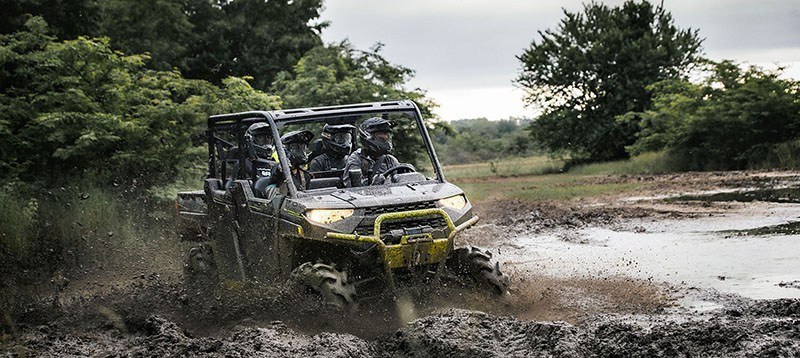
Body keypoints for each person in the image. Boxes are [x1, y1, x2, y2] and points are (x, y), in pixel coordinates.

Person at [342, 117, 400, 187]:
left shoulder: (390, 160)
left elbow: (401, 185)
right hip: (366, 197)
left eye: (387, 138)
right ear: (368, 137)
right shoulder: (356, 159)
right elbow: (350, 188)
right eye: (381, 138)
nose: (385, 141)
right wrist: (372, 183)